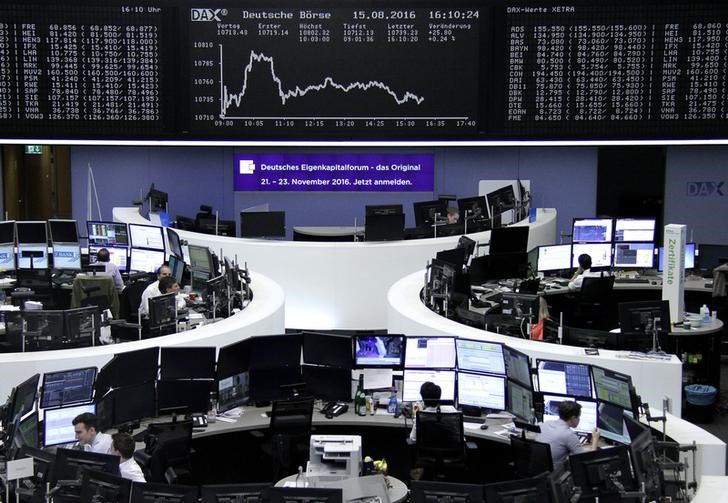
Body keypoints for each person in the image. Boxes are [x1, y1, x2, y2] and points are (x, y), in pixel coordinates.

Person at [535, 400, 600, 467]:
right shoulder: (569, 435)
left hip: (537, 468)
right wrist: (595, 438)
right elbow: (588, 460)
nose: (579, 419)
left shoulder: (546, 423)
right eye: (578, 417)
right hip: (553, 474)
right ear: (573, 418)